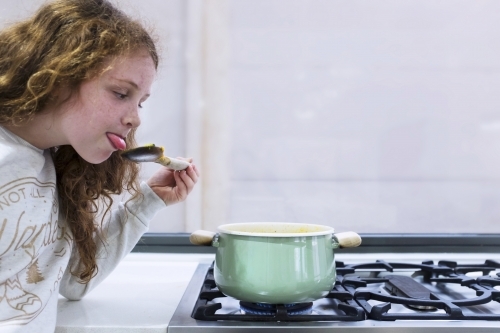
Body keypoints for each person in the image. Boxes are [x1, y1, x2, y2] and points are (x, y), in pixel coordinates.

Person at [0, 0, 199, 331]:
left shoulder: (50, 163)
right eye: (121, 93)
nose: (135, 118)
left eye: (141, 102)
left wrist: (148, 202)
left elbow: (74, 281)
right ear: (60, 75)